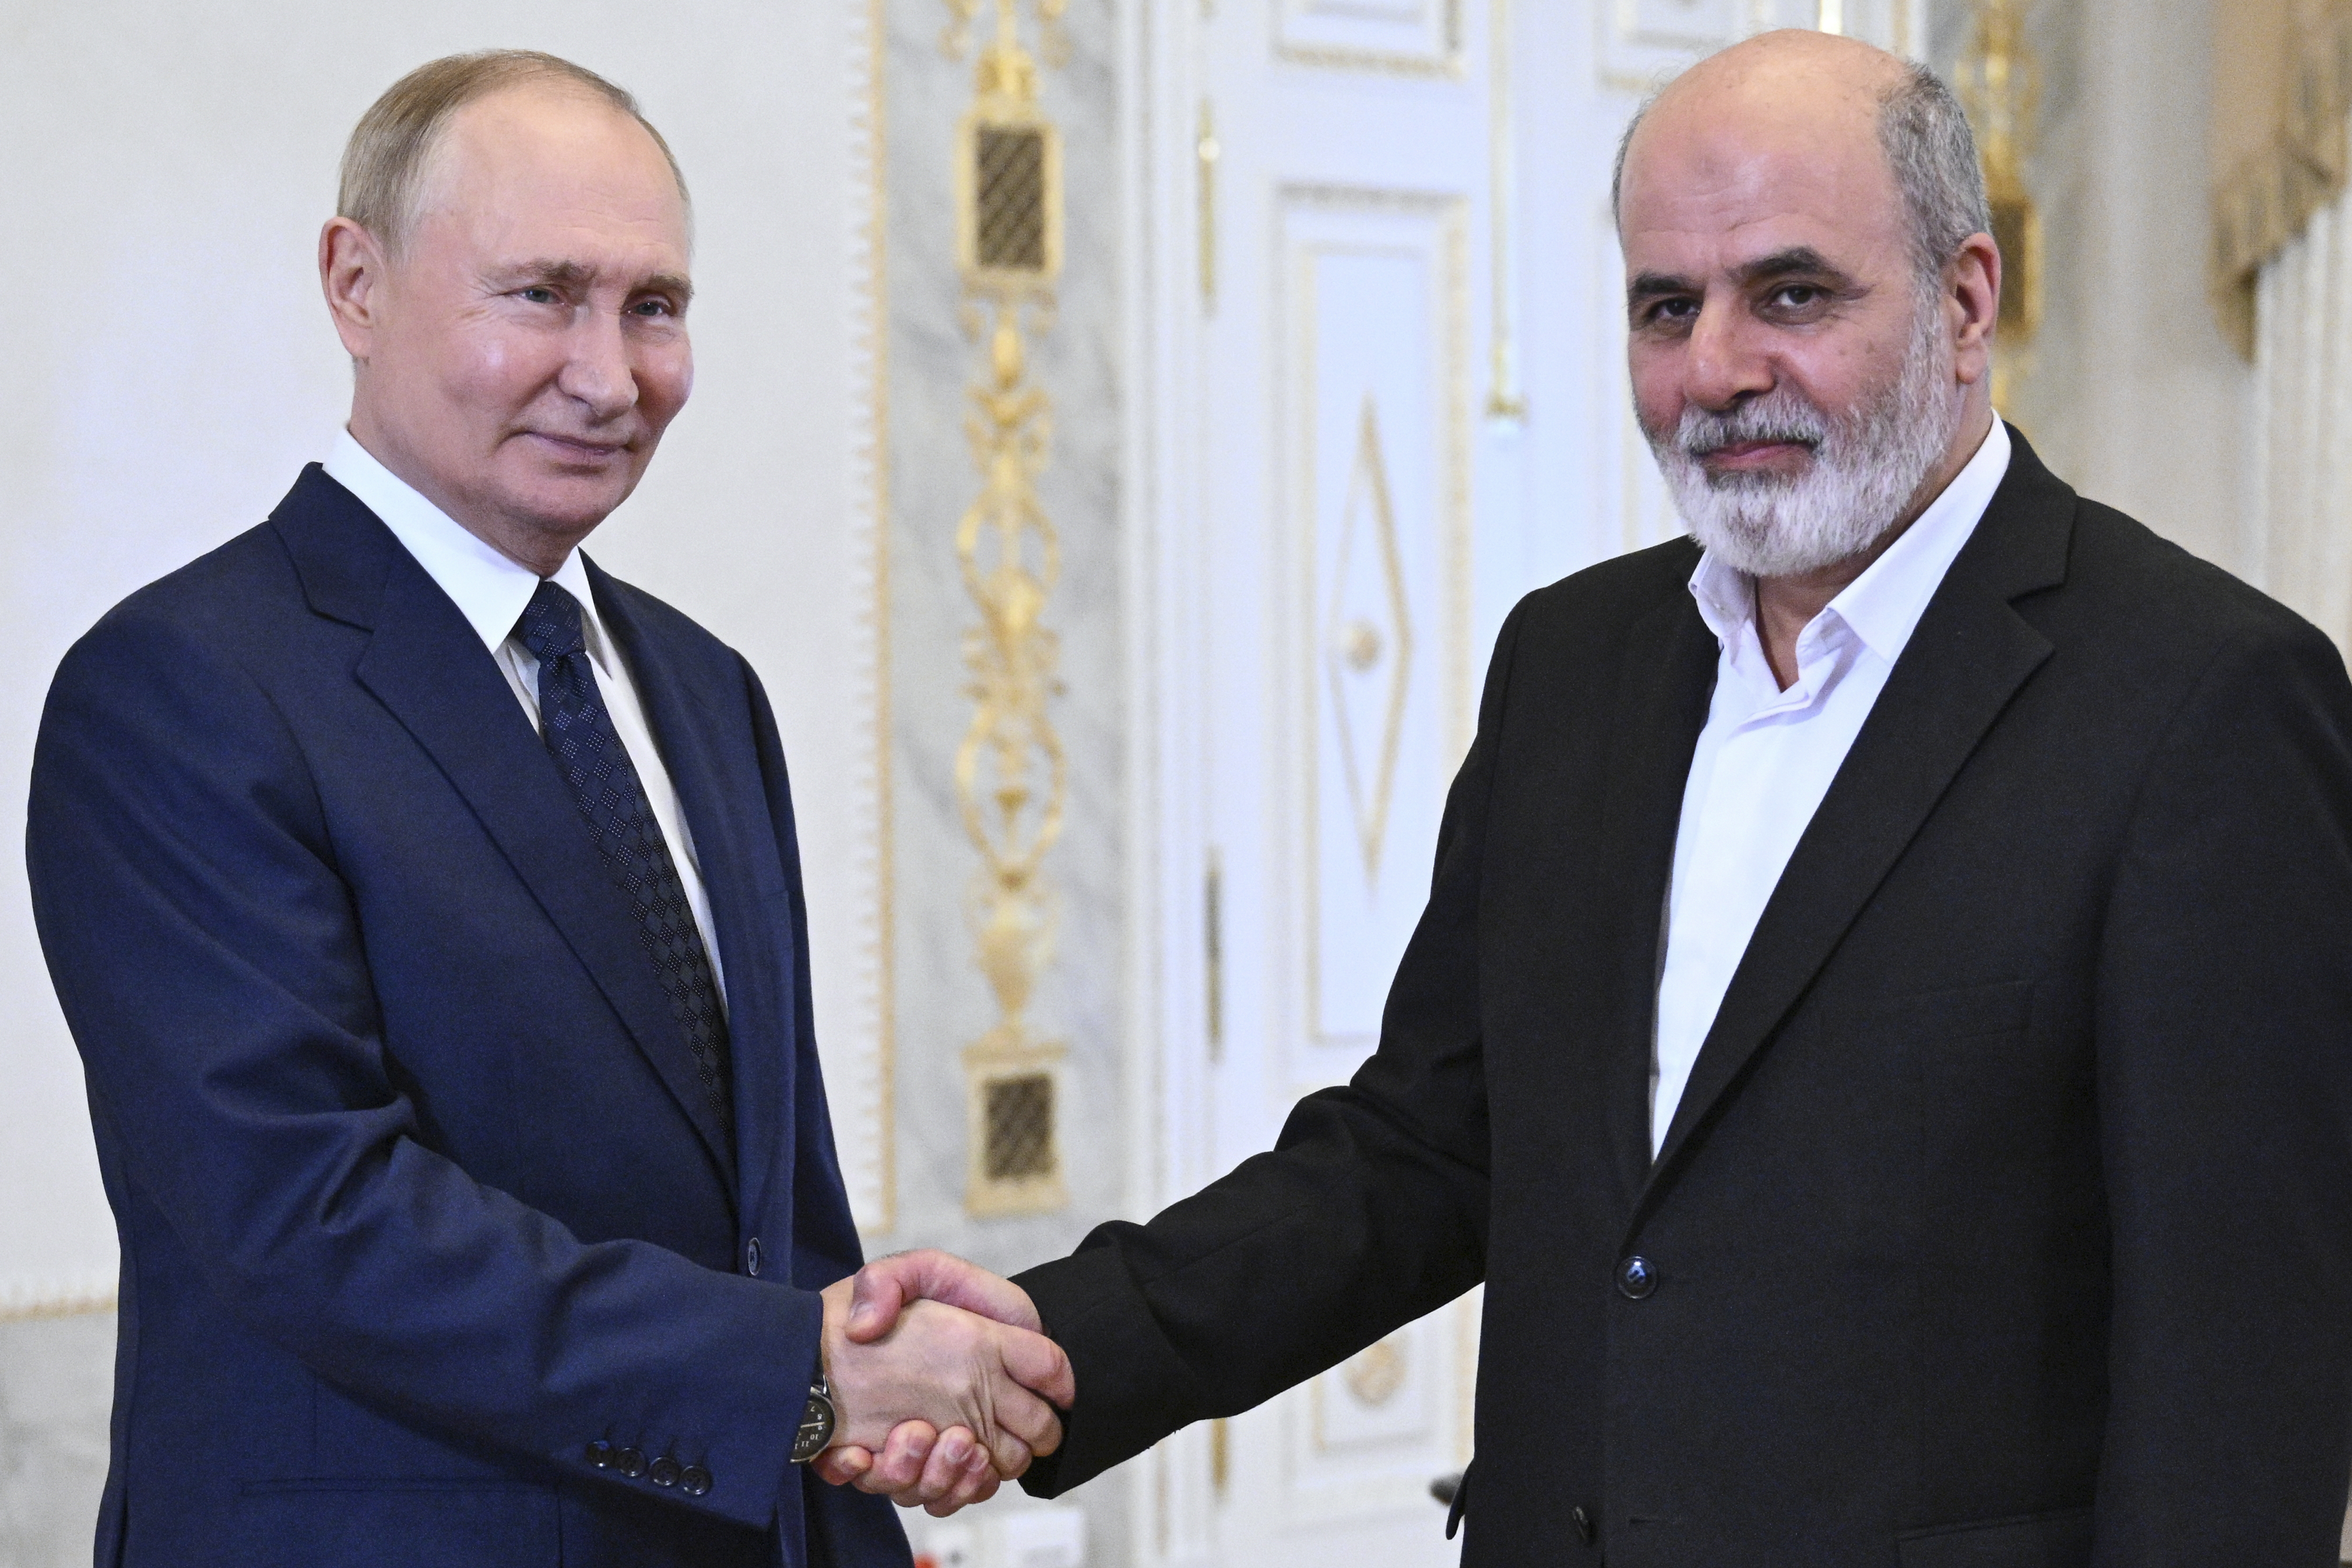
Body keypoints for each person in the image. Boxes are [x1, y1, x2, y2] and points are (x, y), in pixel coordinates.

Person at [819, 29, 2352, 1564]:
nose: (1716, 370)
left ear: (1965, 302)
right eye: (1665, 307)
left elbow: (2242, 1389)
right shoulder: (1574, 662)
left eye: (1793, 292)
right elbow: (1423, 1149)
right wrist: (1054, 1340)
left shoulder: (2205, 704)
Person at [25, 50, 1065, 1568]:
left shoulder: (706, 693)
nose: (608, 372)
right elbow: (316, 1217)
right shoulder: (180, 690)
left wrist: (858, 1464)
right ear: (355, 284)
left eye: (655, 306)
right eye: (542, 295)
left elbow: (774, 1220)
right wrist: (799, 1377)